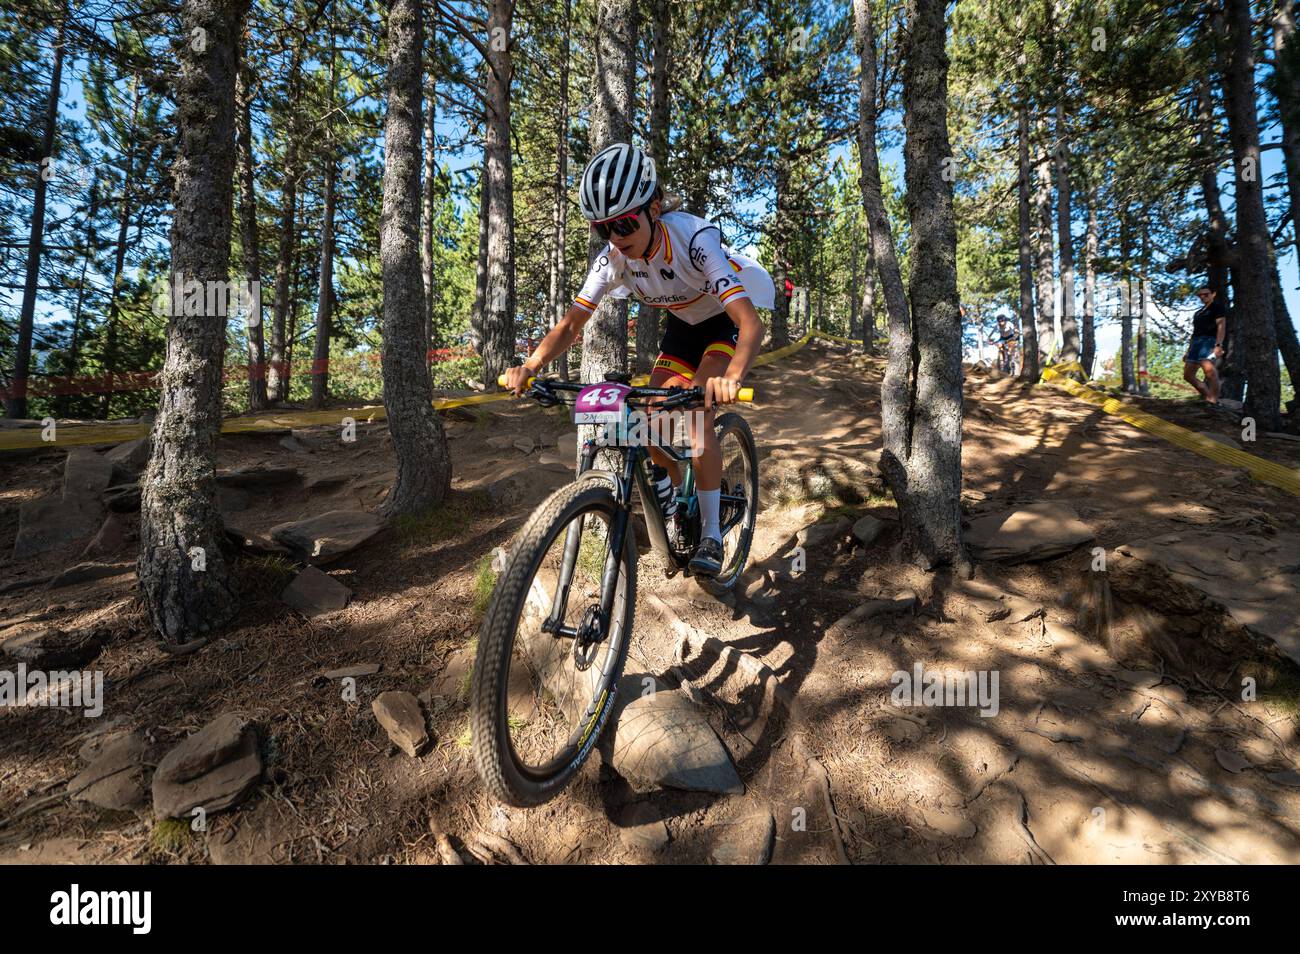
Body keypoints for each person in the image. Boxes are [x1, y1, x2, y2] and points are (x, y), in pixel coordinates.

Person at [503, 143, 774, 577]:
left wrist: (732, 376)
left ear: (653, 208)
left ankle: (710, 533)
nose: (615, 237)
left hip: (721, 324)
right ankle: (670, 500)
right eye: (603, 228)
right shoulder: (612, 259)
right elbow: (572, 325)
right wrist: (531, 365)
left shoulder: (695, 240)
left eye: (625, 222)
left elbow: (750, 323)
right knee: (646, 414)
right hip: (682, 330)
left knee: (697, 412)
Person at [1182, 286, 1226, 404]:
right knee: (1188, 375)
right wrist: (1188, 350)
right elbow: (1195, 332)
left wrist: (1218, 345)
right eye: (1200, 295)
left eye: (1206, 294)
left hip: (1209, 341)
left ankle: (1214, 400)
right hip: (1196, 342)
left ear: (1213, 294)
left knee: (1209, 370)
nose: (1202, 297)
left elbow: (1221, 326)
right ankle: (1208, 397)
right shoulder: (1198, 313)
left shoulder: (1217, 307)